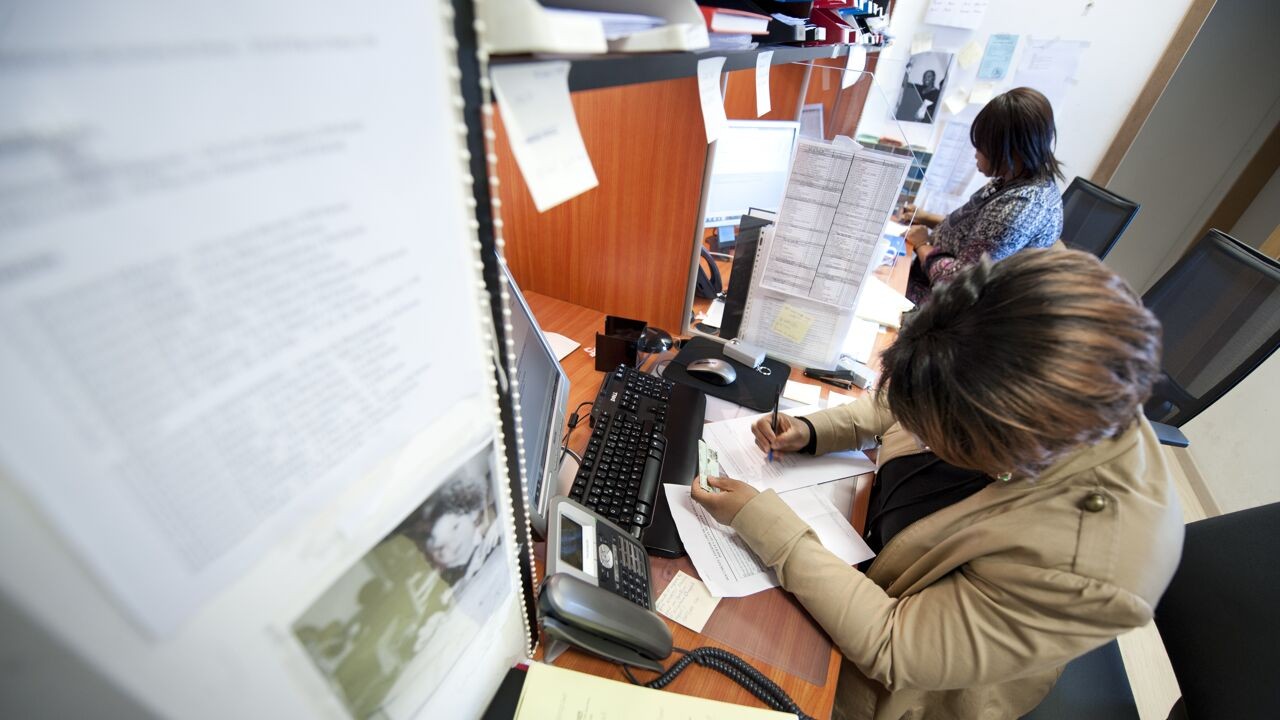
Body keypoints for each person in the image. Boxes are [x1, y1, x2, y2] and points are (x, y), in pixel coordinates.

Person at [692, 250, 1184, 720]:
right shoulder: (1042, 372)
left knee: (710, 665)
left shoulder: (1092, 570)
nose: (916, 432)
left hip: (893, 679)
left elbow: (893, 645)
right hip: (865, 546)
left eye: (932, 432)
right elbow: (923, 389)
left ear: (1000, 443)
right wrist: (816, 430)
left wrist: (764, 523)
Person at [900, 87, 1064, 304]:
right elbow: (979, 233)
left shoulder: (1019, 208)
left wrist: (922, 244)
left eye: (981, 146)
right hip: (927, 276)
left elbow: (957, 285)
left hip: (942, 304)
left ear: (1008, 149)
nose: (975, 154)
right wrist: (927, 217)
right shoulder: (1013, 179)